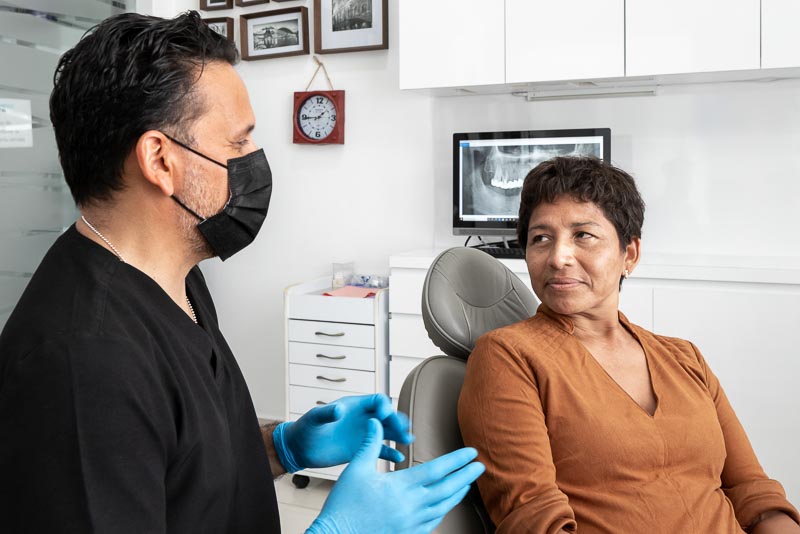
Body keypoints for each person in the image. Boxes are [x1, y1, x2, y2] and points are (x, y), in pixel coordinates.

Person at [0, 11, 484, 534]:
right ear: (161, 161)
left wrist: (283, 446)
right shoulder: (84, 363)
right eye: (238, 142)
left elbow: (179, 466)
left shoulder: (175, 276)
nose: (255, 159)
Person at [457, 156, 800, 533]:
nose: (558, 257)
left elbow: (753, 493)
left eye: (583, 235)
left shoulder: (684, 357)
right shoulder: (508, 357)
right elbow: (536, 520)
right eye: (541, 239)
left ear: (629, 254)